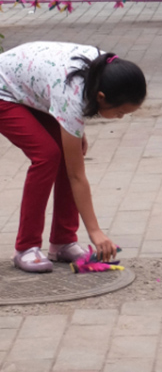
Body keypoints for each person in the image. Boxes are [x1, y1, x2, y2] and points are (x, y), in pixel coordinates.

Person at [0, 43, 146, 272]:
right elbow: (76, 176)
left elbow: (70, 100)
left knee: (69, 154)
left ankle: (63, 241)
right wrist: (95, 231)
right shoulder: (74, 91)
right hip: (4, 91)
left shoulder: (104, 71)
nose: (119, 118)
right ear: (101, 96)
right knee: (47, 155)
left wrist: (75, 130)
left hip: (33, 87)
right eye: (120, 112)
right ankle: (25, 247)